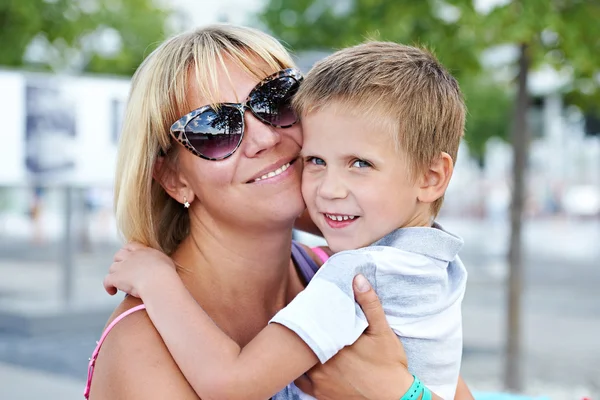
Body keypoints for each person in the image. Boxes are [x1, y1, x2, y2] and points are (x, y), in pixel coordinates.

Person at [87, 24, 474, 399]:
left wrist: (397, 394)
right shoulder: (142, 346)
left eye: (274, 100)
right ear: (174, 179)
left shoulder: (354, 273)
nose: (264, 137)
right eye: (215, 129)